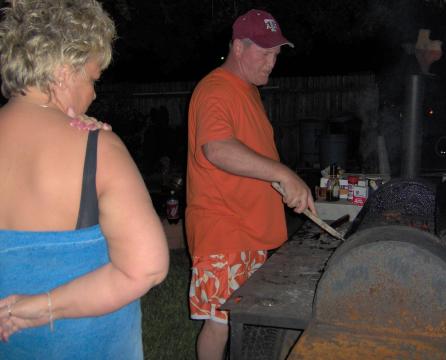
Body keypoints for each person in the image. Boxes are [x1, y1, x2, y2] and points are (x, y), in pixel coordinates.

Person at [0, 1, 169, 359]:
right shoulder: (98, 148)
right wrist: (44, 306)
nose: (93, 93)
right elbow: (148, 267)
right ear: (64, 72)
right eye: (92, 79)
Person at [186, 9, 316, 360]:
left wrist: (282, 185)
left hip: (249, 230)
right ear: (239, 48)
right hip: (225, 231)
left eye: (276, 54)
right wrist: (284, 174)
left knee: (242, 321)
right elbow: (217, 149)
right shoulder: (215, 89)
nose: (272, 63)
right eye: (265, 53)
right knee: (220, 323)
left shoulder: (247, 91)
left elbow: (251, 157)